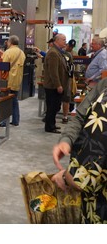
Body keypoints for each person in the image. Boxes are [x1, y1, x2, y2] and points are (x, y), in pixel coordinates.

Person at [51, 78, 107, 224]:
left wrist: (65, 176)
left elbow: (82, 179)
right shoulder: (104, 85)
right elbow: (81, 116)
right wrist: (67, 139)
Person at [43, 33, 68, 134]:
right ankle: (49, 126)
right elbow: (53, 72)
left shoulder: (58, 52)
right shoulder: (53, 53)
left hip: (55, 85)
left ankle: (51, 124)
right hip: (52, 86)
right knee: (52, 107)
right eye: (63, 40)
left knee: (55, 106)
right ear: (57, 41)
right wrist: (58, 85)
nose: (65, 42)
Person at [1, 35, 26, 126]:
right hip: (17, 80)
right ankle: (15, 120)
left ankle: (3, 121)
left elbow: (3, 66)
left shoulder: (8, 52)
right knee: (14, 100)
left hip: (8, 80)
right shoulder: (21, 52)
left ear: (10, 42)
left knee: (5, 100)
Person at [61, 39, 76, 124]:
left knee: (66, 98)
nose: (70, 48)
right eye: (69, 46)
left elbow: (71, 66)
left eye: (72, 47)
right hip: (60, 78)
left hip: (67, 78)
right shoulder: (60, 53)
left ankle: (65, 116)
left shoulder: (70, 54)